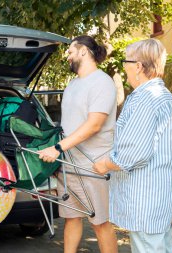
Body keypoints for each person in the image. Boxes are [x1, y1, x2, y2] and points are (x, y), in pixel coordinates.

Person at [93, 39, 172, 253]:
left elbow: (132, 153)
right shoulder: (168, 99)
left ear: (138, 66)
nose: (124, 67)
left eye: (126, 61)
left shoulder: (145, 100)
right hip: (162, 198)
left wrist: (105, 165)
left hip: (147, 201)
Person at [37, 35, 118, 253]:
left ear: (83, 51)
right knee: (71, 218)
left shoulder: (102, 82)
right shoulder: (73, 84)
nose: (67, 56)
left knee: (100, 222)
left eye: (70, 51)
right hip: (69, 165)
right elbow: (69, 125)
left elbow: (94, 125)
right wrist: (59, 156)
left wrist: (57, 149)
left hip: (94, 165)